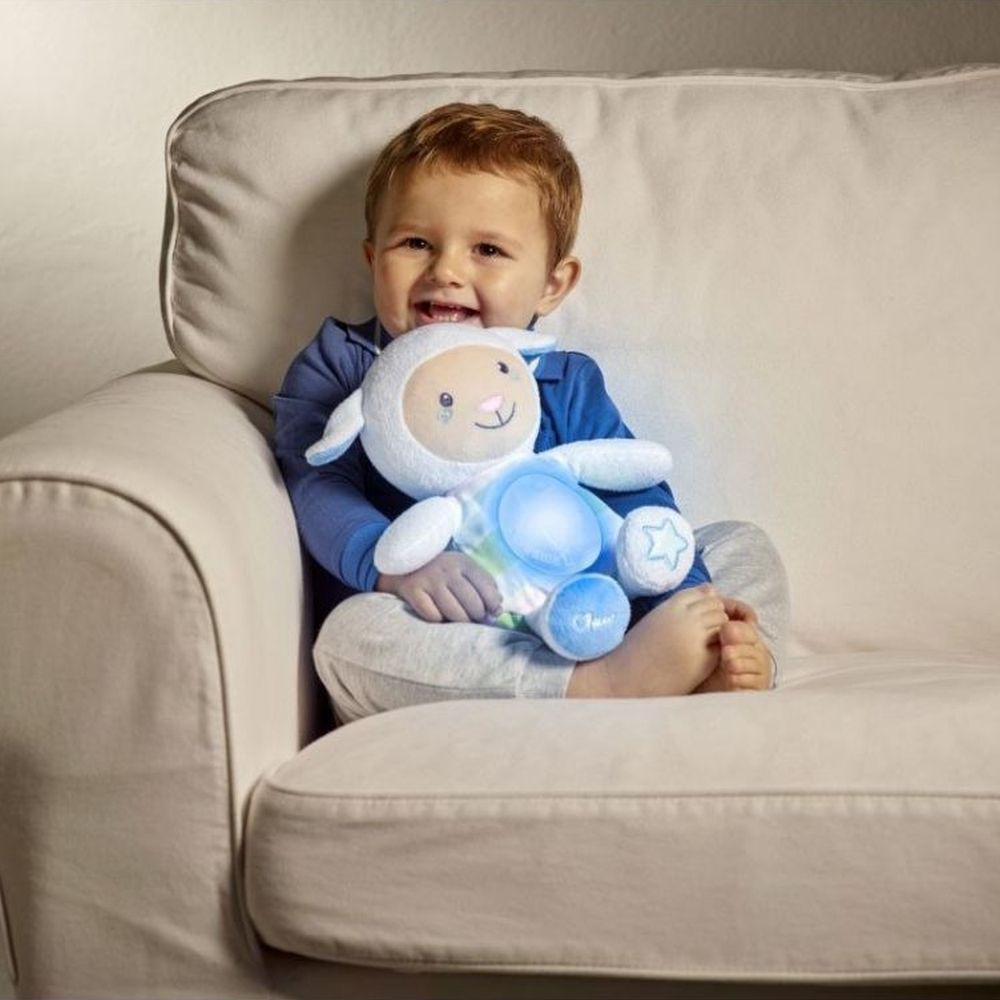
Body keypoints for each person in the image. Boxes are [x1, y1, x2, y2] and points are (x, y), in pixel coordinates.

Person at [273, 103, 789, 724]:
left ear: (552, 284)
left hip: (589, 605)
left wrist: (679, 593)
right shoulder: (339, 365)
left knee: (739, 544)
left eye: (488, 249)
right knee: (349, 636)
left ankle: (727, 659)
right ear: (372, 257)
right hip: (450, 627)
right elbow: (316, 485)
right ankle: (595, 687)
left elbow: (638, 496)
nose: (446, 271)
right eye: (415, 243)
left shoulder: (566, 381)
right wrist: (397, 569)